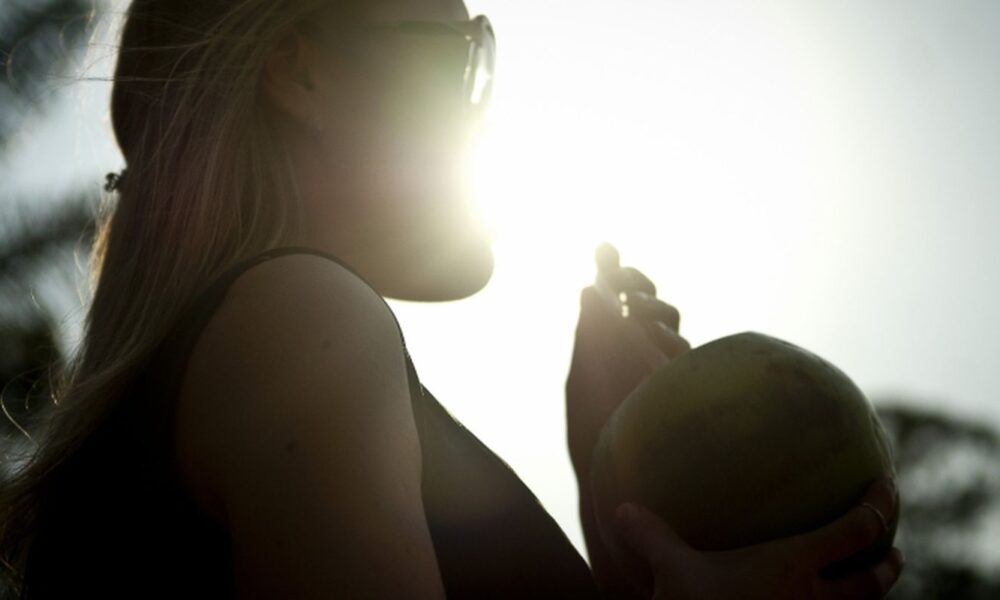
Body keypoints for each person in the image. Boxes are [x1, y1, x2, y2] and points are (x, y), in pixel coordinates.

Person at [0, 0, 903, 598]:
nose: (486, 113)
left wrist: (615, 490)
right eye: (464, 54)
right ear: (303, 74)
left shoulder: (236, 352)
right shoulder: (303, 316)